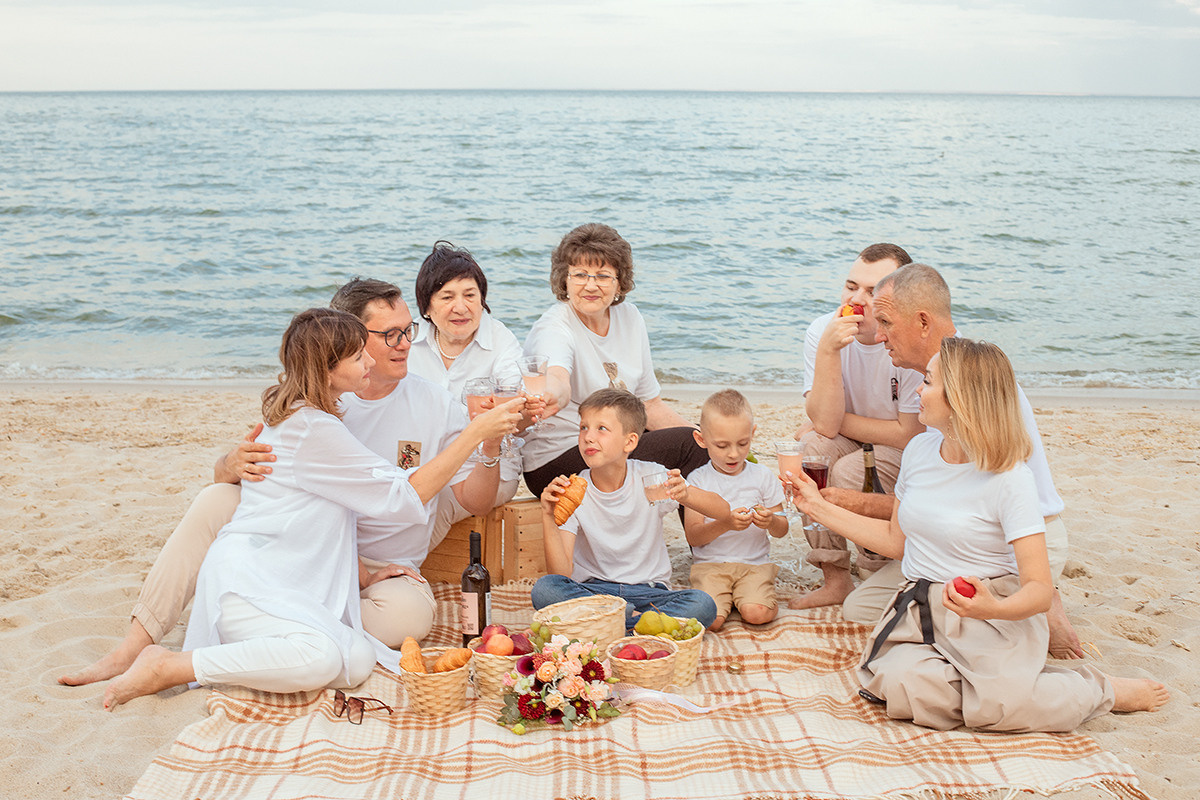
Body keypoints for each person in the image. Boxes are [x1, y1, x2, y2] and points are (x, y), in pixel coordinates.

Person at [60, 280, 523, 688]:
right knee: (215, 498)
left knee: (401, 621)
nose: (404, 344)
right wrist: (229, 462)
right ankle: (136, 644)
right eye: (387, 336)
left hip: (371, 562)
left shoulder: (426, 402)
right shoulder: (322, 407)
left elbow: (472, 499)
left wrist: (487, 444)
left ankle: (279, 625)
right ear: (343, 345)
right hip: (303, 545)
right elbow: (262, 472)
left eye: (408, 331)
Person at [786, 337, 1168, 731]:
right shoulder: (919, 452)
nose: (917, 390)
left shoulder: (1010, 478)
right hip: (922, 611)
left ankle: (1099, 689)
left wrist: (990, 609)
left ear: (960, 398)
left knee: (998, 707)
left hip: (990, 615)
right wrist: (816, 506)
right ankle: (1006, 687)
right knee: (900, 684)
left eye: (928, 382)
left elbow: (1039, 590)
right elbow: (896, 541)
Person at [102, 309, 446, 709]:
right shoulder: (313, 426)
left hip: (285, 581)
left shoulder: (309, 416)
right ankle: (168, 665)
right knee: (322, 658)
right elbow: (401, 495)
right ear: (327, 370)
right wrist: (477, 433)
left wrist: (365, 576)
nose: (370, 359)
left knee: (357, 659)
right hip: (250, 582)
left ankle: (236, 654)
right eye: (358, 356)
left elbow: (324, 514)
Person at [843, 262, 1082, 659]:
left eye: (885, 322)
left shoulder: (975, 384)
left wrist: (856, 503)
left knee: (948, 628)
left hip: (1008, 544)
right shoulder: (930, 385)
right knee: (862, 609)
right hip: (954, 534)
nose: (879, 334)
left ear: (923, 322)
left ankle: (1042, 604)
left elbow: (973, 500)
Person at [521, 223, 709, 498]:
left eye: (603, 276)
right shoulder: (554, 327)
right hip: (558, 459)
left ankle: (712, 522)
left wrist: (710, 438)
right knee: (688, 445)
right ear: (565, 279)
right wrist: (552, 394)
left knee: (699, 440)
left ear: (619, 282)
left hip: (613, 444)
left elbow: (649, 405)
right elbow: (557, 377)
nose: (590, 285)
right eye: (580, 275)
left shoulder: (630, 318)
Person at [791, 243, 924, 610]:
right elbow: (824, 426)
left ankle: (877, 567)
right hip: (856, 438)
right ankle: (835, 577)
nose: (856, 299)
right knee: (811, 452)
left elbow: (908, 433)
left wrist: (828, 421)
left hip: (907, 450)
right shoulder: (823, 330)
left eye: (871, 291)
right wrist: (829, 351)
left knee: (850, 468)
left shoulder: (905, 341)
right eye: (851, 287)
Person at [530, 389, 724, 630]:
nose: (588, 437)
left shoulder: (650, 477)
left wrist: (686, 493)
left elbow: (721, 509)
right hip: (594, 592)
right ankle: (640, 626)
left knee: (703, 604)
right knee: (546, 589)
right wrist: (548, 516)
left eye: (601, 428)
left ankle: (613, 625)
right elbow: (560, 574)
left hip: (649, 592)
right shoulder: (572, 491)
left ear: (629, 441)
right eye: (583, 428)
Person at [407, 241, 528, 510]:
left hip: (485, 467)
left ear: (482, 300)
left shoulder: (500, 340)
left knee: (430, 504)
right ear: (426, 307)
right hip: (422, 462)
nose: (460, 307)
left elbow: (514, 403)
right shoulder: (408, 340)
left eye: (470, 295)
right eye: (447, 297)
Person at [684, 389, 787, 631]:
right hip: (710, 566)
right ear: (701, 440)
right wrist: (726, 524)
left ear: (752, 433)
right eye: (722, 446)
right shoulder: (697, 480)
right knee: (711, 621)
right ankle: (728, 601)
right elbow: (693, 536)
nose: (734, 454)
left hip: (754, 565)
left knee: (756, 614)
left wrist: (770, 521)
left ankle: (749, 599)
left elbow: (782, 529)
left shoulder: (762, 476)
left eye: (743, 443)